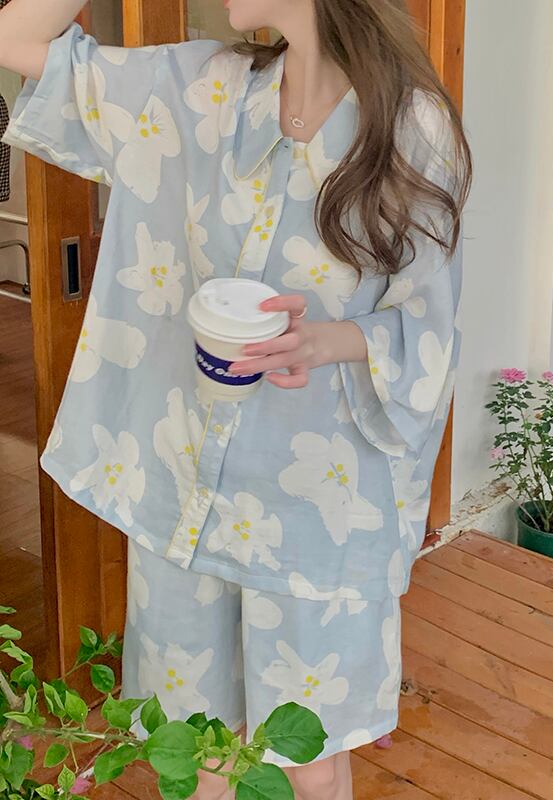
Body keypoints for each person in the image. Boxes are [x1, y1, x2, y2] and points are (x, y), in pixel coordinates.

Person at [0, 0, 471, 796]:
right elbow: (15, 35)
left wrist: (330, 340)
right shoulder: (200, 89)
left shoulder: (412, 127)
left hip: (317, 512)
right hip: (189, 497)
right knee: (195, 749)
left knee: (308, 758)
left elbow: (430, 326)